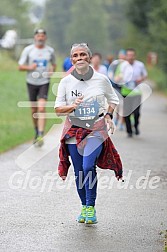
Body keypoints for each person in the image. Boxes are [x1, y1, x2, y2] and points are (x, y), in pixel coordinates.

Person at [54, 43, 123, 224]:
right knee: (79, 172)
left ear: (89, 58)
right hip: (73, 129)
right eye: (75, 55)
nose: (79, 58)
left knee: (87, 166)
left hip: (95, 129)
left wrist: (108, 114)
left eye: (83, 54)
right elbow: (58, 109)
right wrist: (73, 106)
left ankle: (91, 207)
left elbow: (113, 99)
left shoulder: (101, 79)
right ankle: (84, 206)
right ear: (71, 60)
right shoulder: (66, 82)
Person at [18, 28, 56, 146]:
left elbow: (54, 64)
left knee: (41, 108)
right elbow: (20, 67)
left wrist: (52, 70)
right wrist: (30, 68)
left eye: (42, 36)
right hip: (31, 82)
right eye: (38, 36)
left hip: (44, 81)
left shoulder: (50, 51)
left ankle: (40, 134)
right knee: (34, 110)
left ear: (45, 38)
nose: (40, 38)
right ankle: (36, 131)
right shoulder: (28, 50)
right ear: (35, 37)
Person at [121, 48, 148, 137]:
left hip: (137, 92)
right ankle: (129, 131)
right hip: (126, 92)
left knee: (136, 112)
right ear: (126, 56)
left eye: (132, 55)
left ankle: (136, 126)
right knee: (127, 113)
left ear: (134, 56)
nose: (130, 57)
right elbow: (118, 77)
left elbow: (145, 75)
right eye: (128, 55)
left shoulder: (140, 65)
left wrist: (140, 79)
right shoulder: (123, 65)